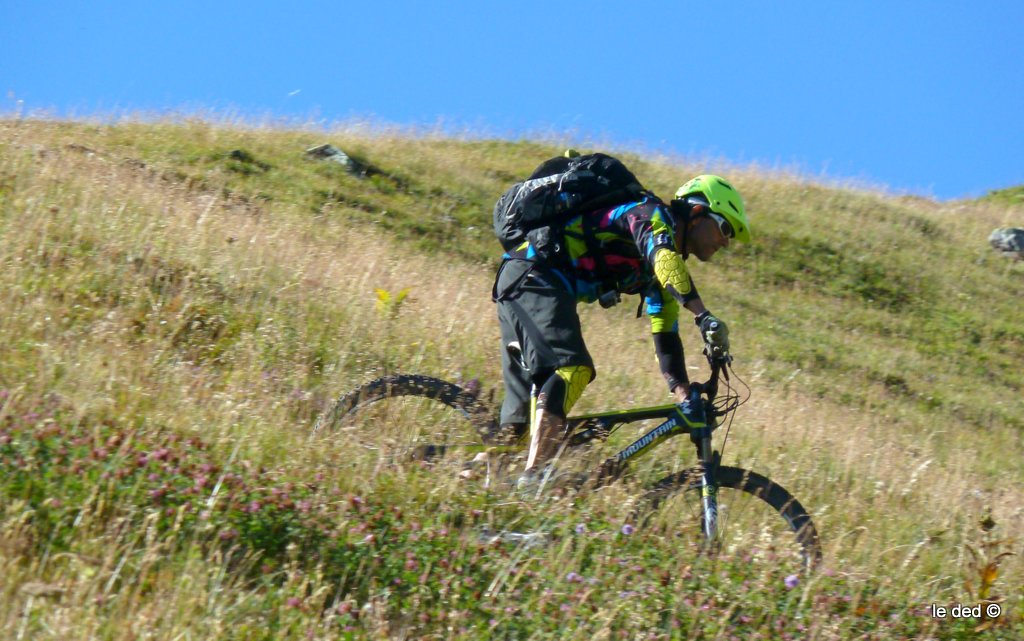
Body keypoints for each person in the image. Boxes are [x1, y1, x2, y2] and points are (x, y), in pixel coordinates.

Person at [491, 167, 750, 490]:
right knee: (573, 368)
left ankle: (466, 475)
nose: (725, 242)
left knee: (516, 432)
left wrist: (684, 394)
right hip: (533, 276)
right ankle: (534, 478)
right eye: (724, 228)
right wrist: (703, 315)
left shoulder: (658, 274)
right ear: (697, 213)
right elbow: (663, 256)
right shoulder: (648, 214)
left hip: (522, 281)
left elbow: (666, 336)